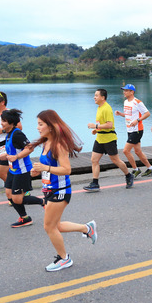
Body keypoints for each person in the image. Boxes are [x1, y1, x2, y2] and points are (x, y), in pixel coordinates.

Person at [28, 110, 96, 272]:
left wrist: (45, 167)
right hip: (49, 189)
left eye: (40, 124)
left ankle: (64, 258)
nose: (37, 127)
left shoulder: (59, 145)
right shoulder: (47, 142)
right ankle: (87, 228)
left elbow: (67, 170)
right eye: (37, 124)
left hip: (60, 191)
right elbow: (51, 168)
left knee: (48, 226)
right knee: (55, 225)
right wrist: (39, 171)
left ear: (51, 126)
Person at [0, 109, 44, 227]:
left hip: (22, 170)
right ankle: (24, 217)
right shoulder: (9, 134)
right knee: (9, 195)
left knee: (17, 198)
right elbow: (10, 153)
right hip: (13, 170)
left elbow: (29, 148)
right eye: (1, 120)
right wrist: (0, 157)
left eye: (4, 121)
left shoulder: (17, 134)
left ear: (11, 122)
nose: (2, 123)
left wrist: (16, 157)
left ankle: (43, 202)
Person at [83, 89, 136, 192]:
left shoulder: (107, 108)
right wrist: (96, 130)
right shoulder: (99, 108)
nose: (94, 97)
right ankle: (95, 183)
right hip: (100, 138)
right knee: (94, 160)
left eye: (96, 95)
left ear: (103, 97)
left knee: (115, 160)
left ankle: (129, 175)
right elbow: (102, 124)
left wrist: (96, 125)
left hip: (109, 139)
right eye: (94, 95)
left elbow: (109, 125)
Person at [115, 84, 152, 178]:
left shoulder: (137, 102)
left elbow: (147, 114)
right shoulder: (126, 102)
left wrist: (138, 120)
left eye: (126, 90)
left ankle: (136, 169)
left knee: (125, 151)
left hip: (137, 130)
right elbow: (128, 115)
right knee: (138, 152)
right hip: (129, 129)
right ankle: (150, 168)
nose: (124, 92)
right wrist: (121, 114)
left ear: (132, 92)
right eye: (124, 90)